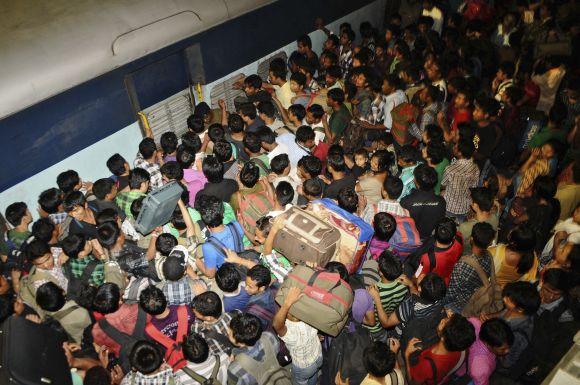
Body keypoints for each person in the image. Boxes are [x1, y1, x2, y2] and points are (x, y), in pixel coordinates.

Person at [405, 313, 476, 385]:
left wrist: (407, 354)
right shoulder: (462, 347)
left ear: (443, 338)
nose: (443, 320)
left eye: (444, 323)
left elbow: (412, 382)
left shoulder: (427, 365)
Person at [273, 286, 323, 385]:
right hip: (318, 356)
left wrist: (287, 303)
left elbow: (276, 324)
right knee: (313, 375)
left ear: (288, 313)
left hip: (304, 367)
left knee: (300, 382)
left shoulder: (291, 330)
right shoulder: (311, 317)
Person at [444, 222, 496, 313]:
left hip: (459, 305)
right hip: (474, 301)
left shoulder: (461, 266)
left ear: (471, 239)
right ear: (489, 243)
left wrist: (442, 305)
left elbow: (451, 293)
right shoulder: (489, 257)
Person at [227, 313, 291, 385]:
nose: (228, 331)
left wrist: (233, 361)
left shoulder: (234, 368)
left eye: (229, 332)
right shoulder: (269, 337)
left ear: (239, 342)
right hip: (280, 378)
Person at [365, 250, 408, 341]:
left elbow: (369, 318)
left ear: (380, 272)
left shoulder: (373, 292)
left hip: (374, 328)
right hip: (388, 318)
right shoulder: (404, 286)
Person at [401, 164, 446, 240]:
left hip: (412, 239)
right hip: (431, 239)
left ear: (416, 182)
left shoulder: (406, 201)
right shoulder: (441, 202)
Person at [441, 139, 480, 223]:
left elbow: (443, 184)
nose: (453, 147)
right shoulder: (475, 168)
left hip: (450, 207)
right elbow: (473, 187)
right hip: (465, 207)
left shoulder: (450, 169)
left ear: (460, 153)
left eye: (455, 147)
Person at [416, 218, 463, 285]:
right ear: (454, 237)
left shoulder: (428, 258)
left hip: (435, 282)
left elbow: (420, 275)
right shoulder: (459, 239)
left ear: (435, 234)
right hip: (448, 277)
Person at [459, 188, 499, 255]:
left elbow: (459, 243)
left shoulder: (465, 227)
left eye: (471, 201)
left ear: (476, 206)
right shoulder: (495, 218)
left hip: (467, 255)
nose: (470, 202)